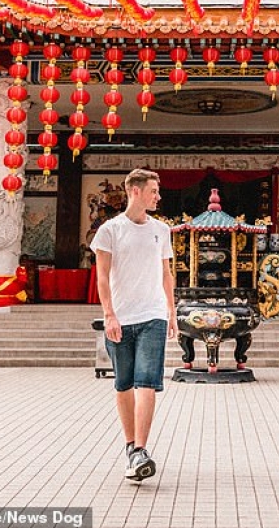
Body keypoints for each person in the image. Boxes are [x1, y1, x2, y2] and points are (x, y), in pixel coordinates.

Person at [92, 168, 176, 483]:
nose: (158, 196)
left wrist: (171, 309)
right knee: (124, 383)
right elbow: (102, 276)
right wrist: (109, 315)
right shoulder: (109, 231)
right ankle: (131, 448)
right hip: (121, 317)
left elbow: (166, 272)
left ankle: (141, 448)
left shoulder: (161, 230)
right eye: (153, 190)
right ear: (135, 191)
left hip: (153, 314)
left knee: (147, 381)